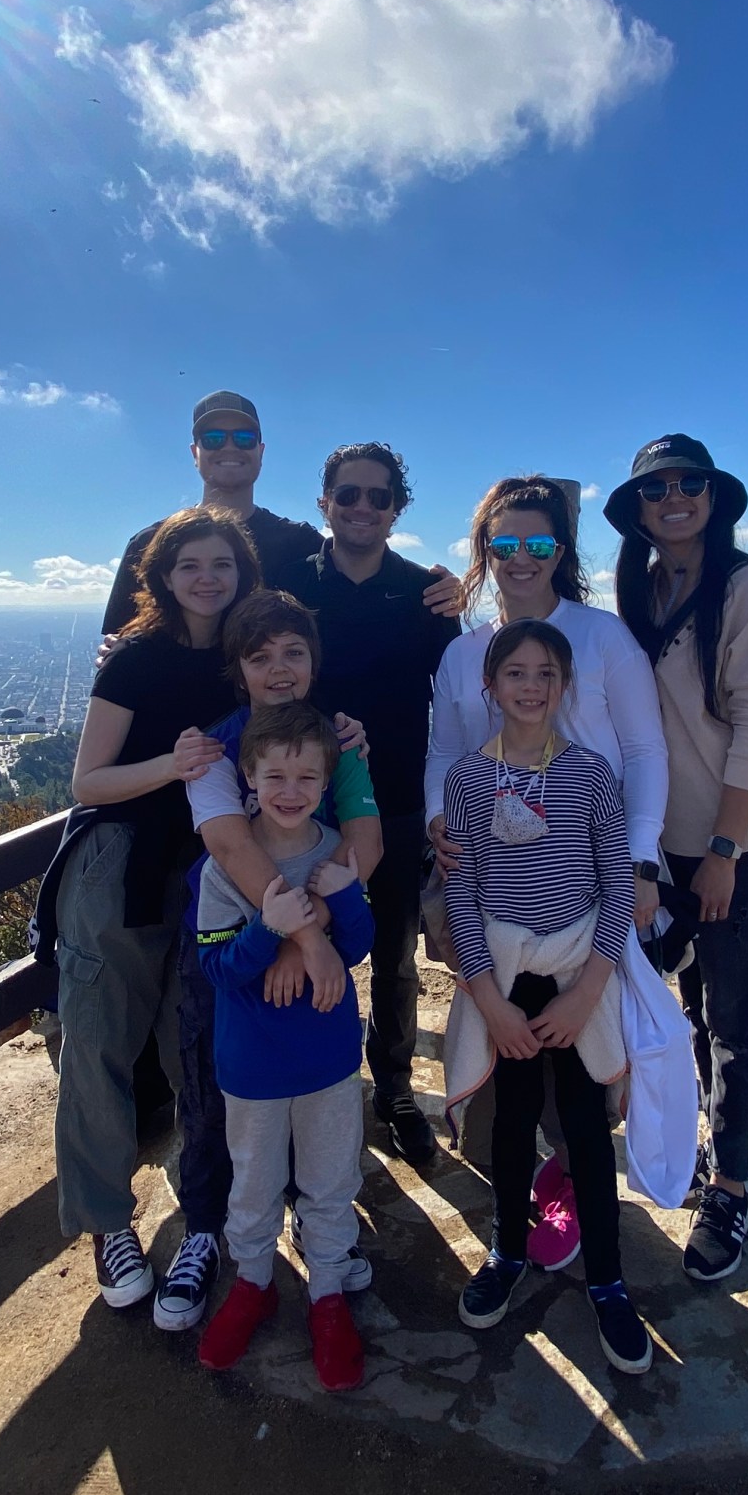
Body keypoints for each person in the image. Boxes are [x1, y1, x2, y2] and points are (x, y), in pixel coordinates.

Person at [425, 475, 669, 1268]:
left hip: (586, 882)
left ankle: (567, 1176)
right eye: (504, 545)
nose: (521, 559)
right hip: (487, 882)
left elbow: (642, 753)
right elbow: (446, 750)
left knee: (579, 1039)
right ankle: (514, 1180)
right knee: (505, 1036)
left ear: (561, 551)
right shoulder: (465, 654)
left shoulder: (602, 639)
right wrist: (438, 819)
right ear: (484, 553)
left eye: (539, 543)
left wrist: (637, 860)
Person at [43, 505, 260, 1310]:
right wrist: (171, 765)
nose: (208, 579)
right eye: (191, 566)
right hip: (121, 866)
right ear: (164, 577)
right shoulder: (133, 660)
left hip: (211, 869)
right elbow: (87, 783)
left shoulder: (242, 661)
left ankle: (203, 1213)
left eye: (223, 565)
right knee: (99, 1043)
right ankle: (109, 1222)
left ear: (243, 575)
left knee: (195, 1046)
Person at [155, 588, 381, 1334]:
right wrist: (298, 939)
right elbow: (228, 844)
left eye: (294, 653)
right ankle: (218, 1242)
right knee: (225, 1117)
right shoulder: (220, 748)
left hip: (306, 963)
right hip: (243, 944)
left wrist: (313, 925)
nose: (280, 670)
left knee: (322, 1142)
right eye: (261, 656)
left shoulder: (335, 742)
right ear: (239, 668)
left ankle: (319, 1254)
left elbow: (364, 846)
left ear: (315, 662)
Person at [605, 434, 748, 1284]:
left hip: (740, 847)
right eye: (656, 489)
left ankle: (731, 1182)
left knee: (733, 1015)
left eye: (689, 484)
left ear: (713, 498)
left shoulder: (747, 587)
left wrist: (722, 849)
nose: (673, 498)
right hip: (666, 846)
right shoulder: (643, 593)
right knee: (680, 1011)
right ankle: (694, 1148)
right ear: (639, 510)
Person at [437, 620, 651, 1375]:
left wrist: (590, 988)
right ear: (489, 687)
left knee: (588, 1129)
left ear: (564, 688)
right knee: (513, 1119)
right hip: (506, 977)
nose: (531, 686)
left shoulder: (591, 775)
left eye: (546, 674)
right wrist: (487, 997)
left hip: (576, 978)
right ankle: (506, 1246)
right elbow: (460, 892)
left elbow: (616, 888)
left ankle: (608, 1279)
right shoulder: (466, 780)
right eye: (516, 673)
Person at [191, 702, 377, 1392]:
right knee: (255, 1179)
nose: (291, 790)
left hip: (326, 1058)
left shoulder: (334, 854)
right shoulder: (222, 871)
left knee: (331, 1180)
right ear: (249, 779)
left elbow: (358, 946)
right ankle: (254, 1279)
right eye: (276, 775)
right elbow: (217, 968)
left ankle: (327, 1293)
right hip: (254, 1063)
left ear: (327, 779)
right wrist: (268, 930)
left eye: (307, 775)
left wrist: (345, 902)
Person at [289, 442, 462, 1166]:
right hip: (299, 805)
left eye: (378, 497)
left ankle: (392, 1089)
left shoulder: (426, 595)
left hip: (393, 799)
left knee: (393, 956)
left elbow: (454, 708)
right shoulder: (287, 588)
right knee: (298, 944)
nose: (363, 507)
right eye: (349, 494)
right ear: (324, 502)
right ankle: (302, 1091)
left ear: (398, 510)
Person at [100, 392, 325, 632]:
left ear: (260, 452)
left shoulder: (303, 545)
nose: (230, 447)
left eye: (243, 438)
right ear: (195, 453)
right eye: (214, 438)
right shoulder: (148, 545)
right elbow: (121, 643)